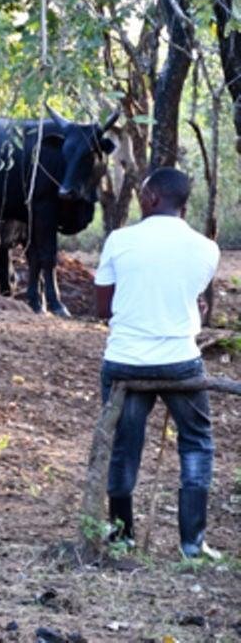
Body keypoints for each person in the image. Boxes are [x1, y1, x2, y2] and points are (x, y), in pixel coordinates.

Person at [93, 167, 220, 559]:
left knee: (123, 446)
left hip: (126, 361)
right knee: (197, 443)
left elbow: (102, 308)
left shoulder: (120, 239)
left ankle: (121, 536)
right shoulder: (207, 248)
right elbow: (190, 298)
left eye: (141, 193)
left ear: (151, 199)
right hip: (179, 361)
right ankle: (191, 544)